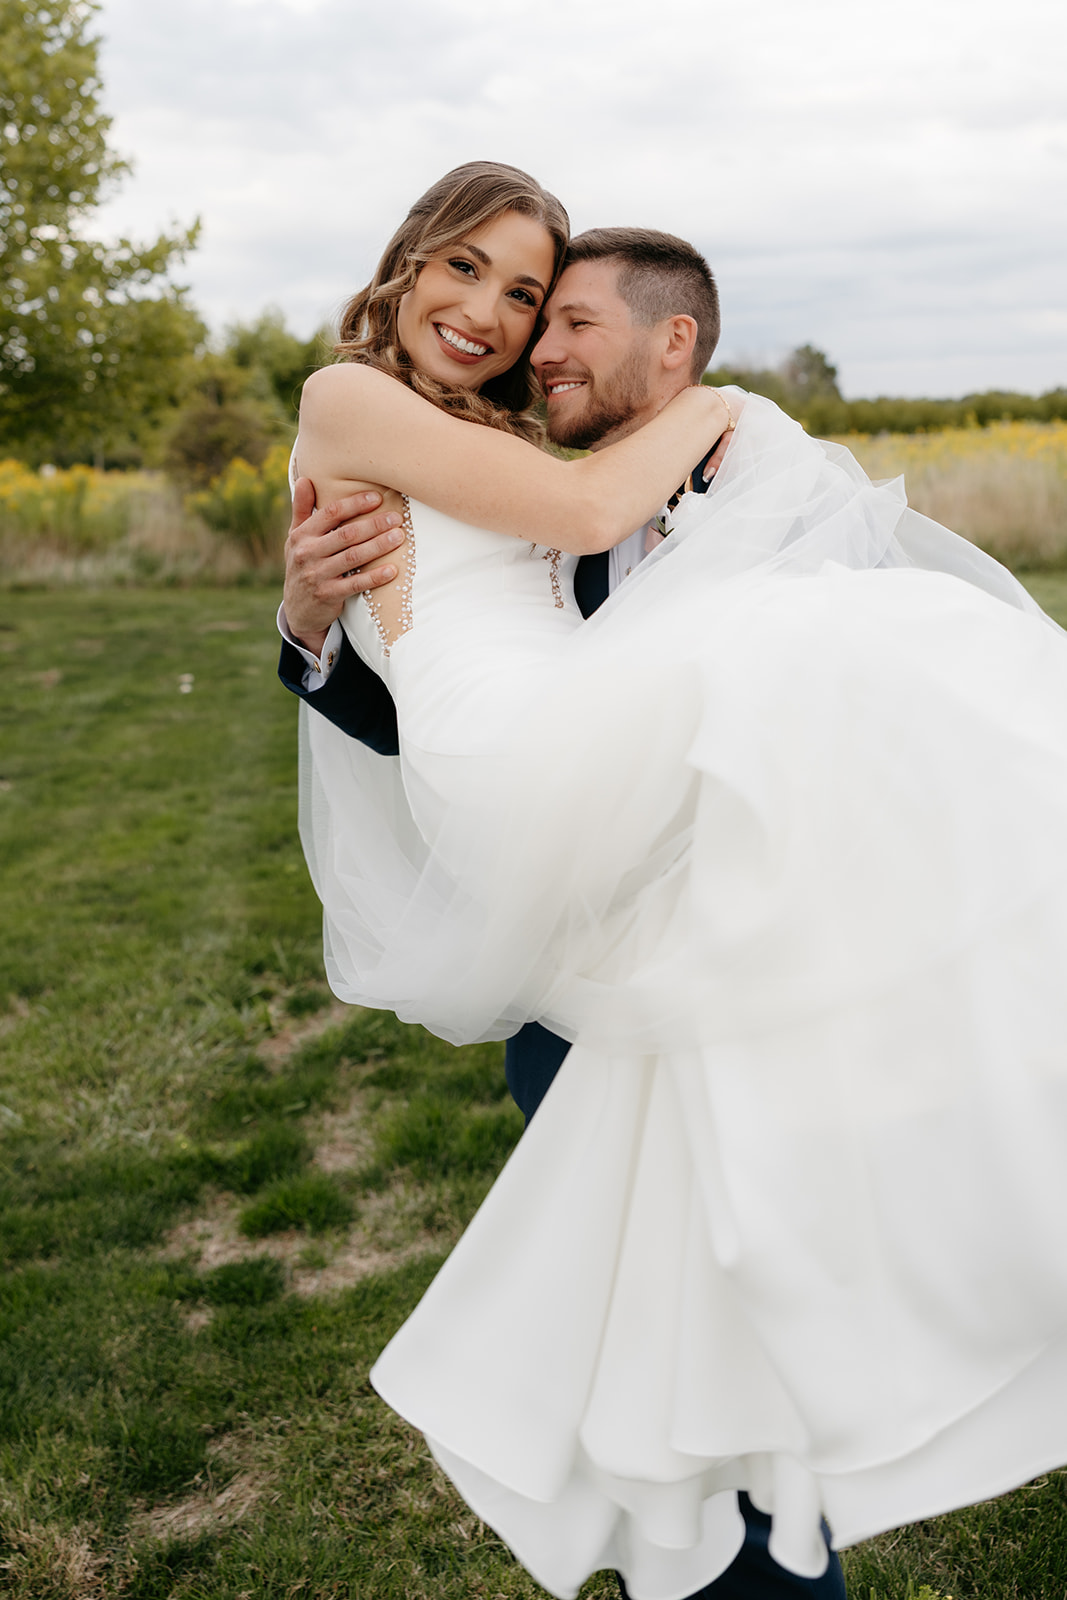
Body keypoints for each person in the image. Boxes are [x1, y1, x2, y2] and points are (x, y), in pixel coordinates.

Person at [281, 162, 1067, 1600]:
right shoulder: (393, 414)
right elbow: (557, 543)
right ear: (405, 265)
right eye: (475, 274)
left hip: (687, 906)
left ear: (674, 339)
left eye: (536, 301)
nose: (510, 323)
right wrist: (304, 623)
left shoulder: (523, 441)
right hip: (554, 846)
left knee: (739, 1330)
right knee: (852, 649)